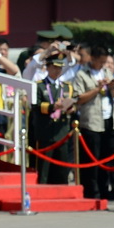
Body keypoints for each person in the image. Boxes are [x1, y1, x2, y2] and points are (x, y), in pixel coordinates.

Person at [71, 46, 114, 201]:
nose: (103, 65)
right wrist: (97, 88)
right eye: (100, 62)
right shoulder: (81, 74)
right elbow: (79, 98)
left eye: (105, 62)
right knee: (93, 159)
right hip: (91, 121)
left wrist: (112, 87)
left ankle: (113, 191)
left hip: (110, 120)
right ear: (92, 59)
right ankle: (93, 192)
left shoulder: (106, 72)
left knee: (113, 157)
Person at [29, 52, 76, 185]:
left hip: (61, 131)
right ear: (48, 67)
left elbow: (74, 103)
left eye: (60, 68)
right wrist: (52, 106)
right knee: (43, 168)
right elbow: (35, 106)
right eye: (54, 67)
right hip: (45, 131)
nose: (57, 70)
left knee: (62, 168)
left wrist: (71, 108)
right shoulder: (39, 85)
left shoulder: (67, 86)